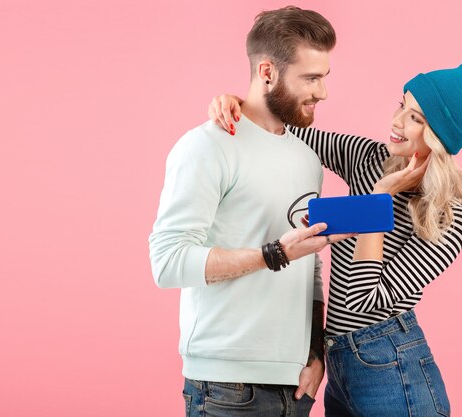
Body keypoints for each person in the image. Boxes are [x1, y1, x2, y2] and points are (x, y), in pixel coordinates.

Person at [208, 63, 462, 416]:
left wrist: (377, 201)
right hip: (341, 367)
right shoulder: (368, 158)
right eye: (401, 106)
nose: (397, 122)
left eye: (416, 119)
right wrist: (239, 104)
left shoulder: (450, 214)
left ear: (441, 137)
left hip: (393, 367)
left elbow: (365, 298)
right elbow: (282, 129)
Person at [148, 6, 355, 417]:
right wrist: (273, 253)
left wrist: (315, 355)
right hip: (227, 386)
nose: (322, 92)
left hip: (296, 385)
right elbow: (167, 262)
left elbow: (309, 263)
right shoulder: (207, 146)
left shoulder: (307, 157)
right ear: (267, 72)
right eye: (310, 78)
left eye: (324, 77)